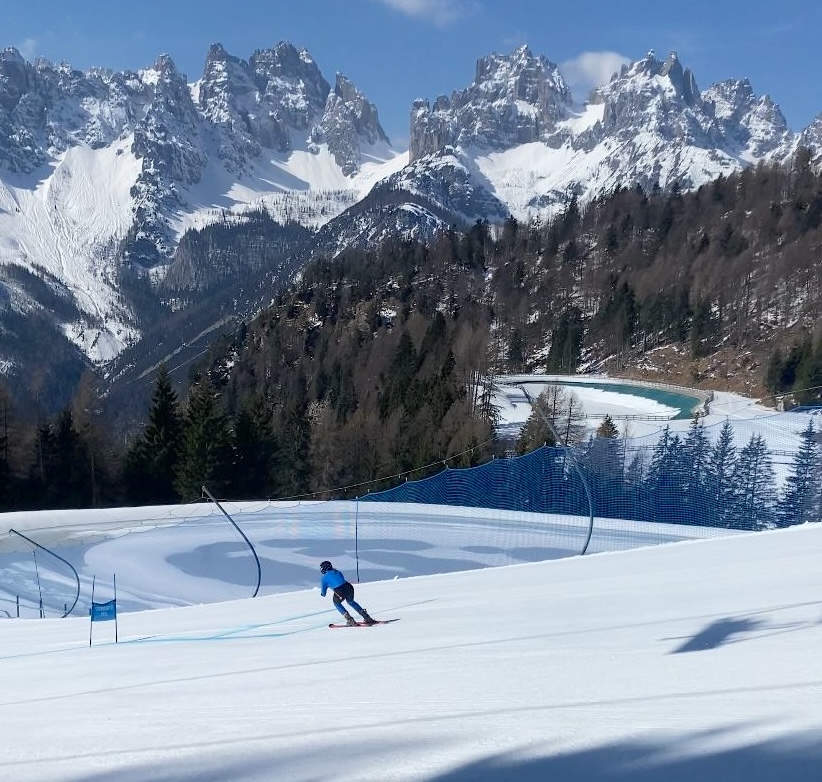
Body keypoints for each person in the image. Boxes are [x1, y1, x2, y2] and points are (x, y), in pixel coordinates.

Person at [319, 561, 375, 625]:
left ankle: (350, 620)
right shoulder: (337, 572)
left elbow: (323, 594)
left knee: (337, 604)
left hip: (339, 591)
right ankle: (367, 617)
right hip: (349, 587)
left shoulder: (324, 578)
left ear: (324, 568)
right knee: (351, 602)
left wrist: (323, 593)